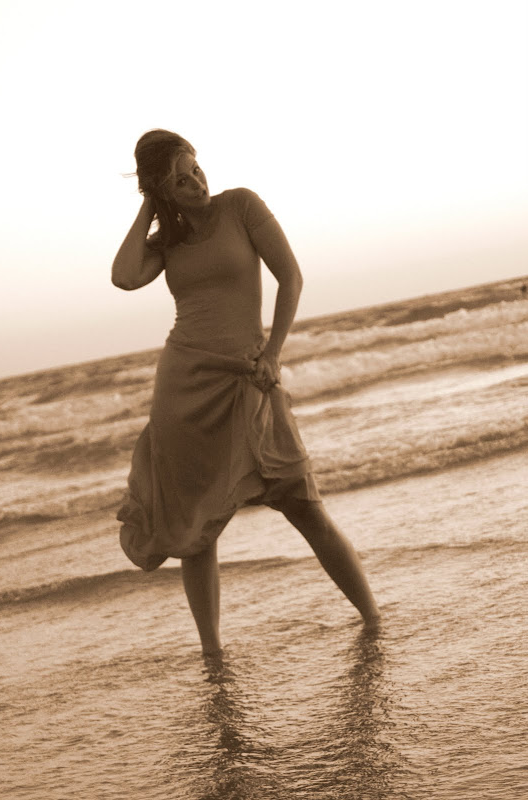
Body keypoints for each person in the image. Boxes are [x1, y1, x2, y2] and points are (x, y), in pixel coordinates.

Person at [112, 129, 380, 654]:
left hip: (251, 375)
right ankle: (213, 654)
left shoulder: (241, 206)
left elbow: (291, 277)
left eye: (195, 169)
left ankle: (373, 619)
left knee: (303, 503)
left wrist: (273, 352)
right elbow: (124, 277)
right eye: (180, 181)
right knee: (196, 529)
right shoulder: (166, 241)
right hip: (185, 389)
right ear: (162, 190)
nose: (197, 184)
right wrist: (150, 203)